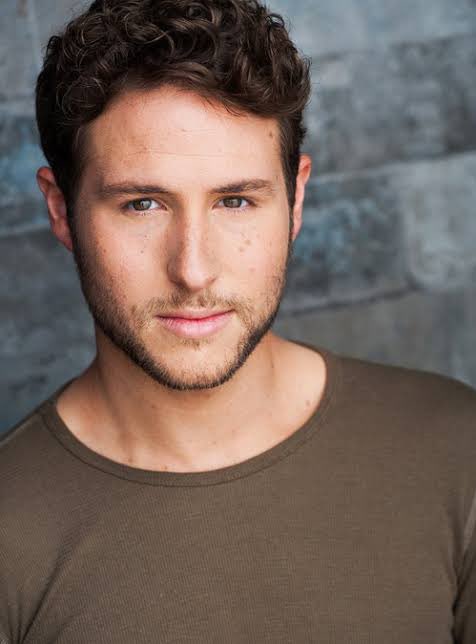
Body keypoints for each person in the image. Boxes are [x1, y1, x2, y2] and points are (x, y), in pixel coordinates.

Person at [1, 0, 475, 641]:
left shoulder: (456, 449)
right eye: (142, 204)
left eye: (235, 201)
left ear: (296, 199)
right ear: (61, 211)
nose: (193, 270)